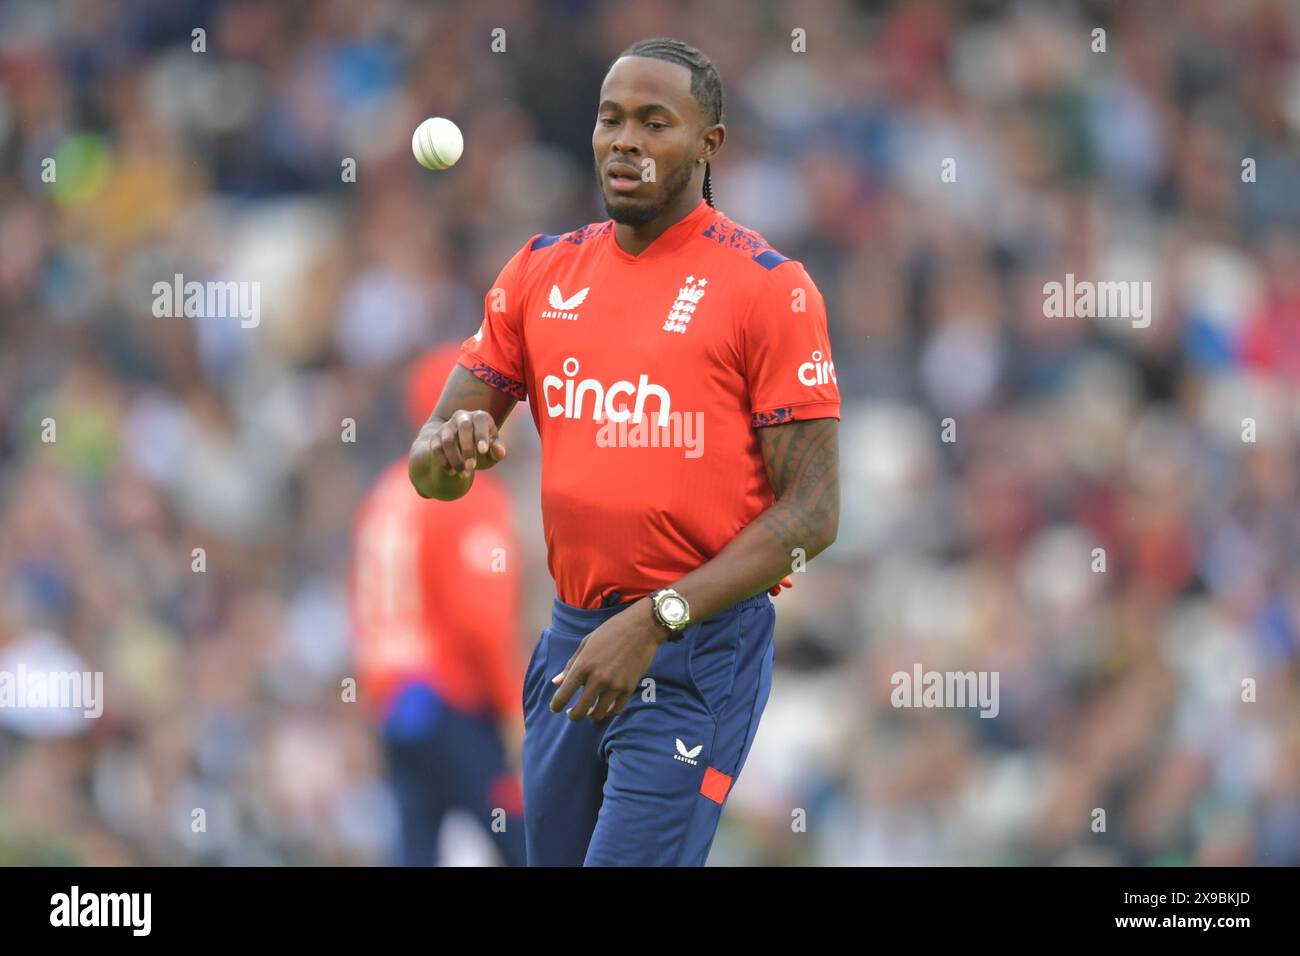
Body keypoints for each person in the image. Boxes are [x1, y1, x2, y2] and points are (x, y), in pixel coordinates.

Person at [408, 38, 841, 866]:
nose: (625, 141)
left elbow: (813, 515)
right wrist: (448, 450)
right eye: (611, 120)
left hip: (694, 649)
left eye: (654, 123)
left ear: (708, 144)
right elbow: (429, 472)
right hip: (573, 646)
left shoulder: (768, 289)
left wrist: (659, 616)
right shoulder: (539, 273)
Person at [352, 344, 526, 866]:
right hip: (454, 698)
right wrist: (514, 708)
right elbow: (480, 621)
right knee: (528, 843)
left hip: (399, 703)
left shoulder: (385, 492)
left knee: (417, 852)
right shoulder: (469, 491)